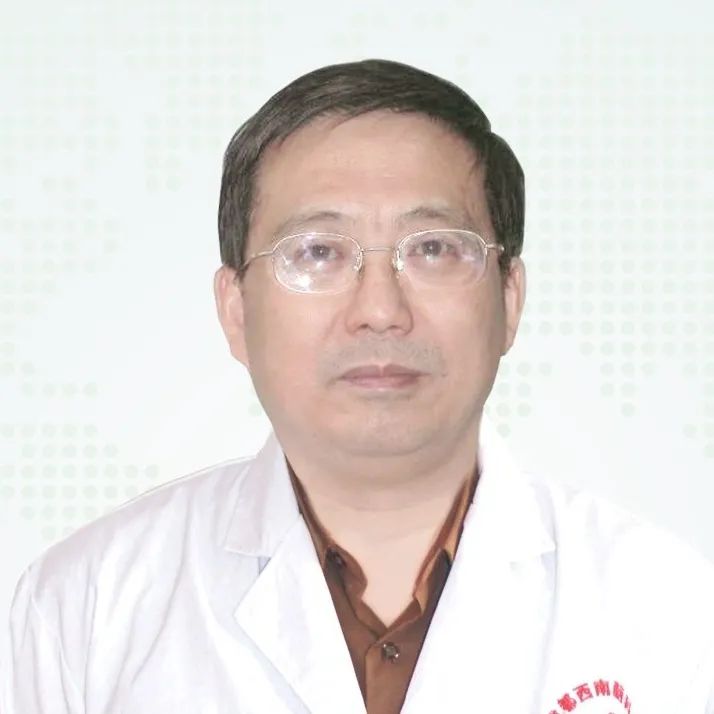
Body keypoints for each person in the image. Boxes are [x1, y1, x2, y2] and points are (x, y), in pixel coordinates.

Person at [2, 58, 714, 714]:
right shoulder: (85, 606)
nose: (379, 310)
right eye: (317, 252)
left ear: (510, 298)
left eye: (433, 248)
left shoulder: (671, 608)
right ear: (236, 311)